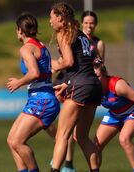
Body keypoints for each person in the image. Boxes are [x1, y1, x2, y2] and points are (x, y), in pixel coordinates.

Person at [48, 2, 102, 172]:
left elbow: (69, 61)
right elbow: (97, 60)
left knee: (61, 135)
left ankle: (55, 169)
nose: (50, 22)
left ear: (60, 18)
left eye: (51, 18)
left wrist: (56, 65)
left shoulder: (63, 33)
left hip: (81, 85)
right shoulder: (82, 35)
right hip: (93, 85)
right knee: (82, 137)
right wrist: (70, 81)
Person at [7, 12, 60, 172]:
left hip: (42, 100)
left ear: (19, 30)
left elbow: (34, 73)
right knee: (11, 140)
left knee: (17, 142)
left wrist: (18, 82)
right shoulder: (40, 45)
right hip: (39, 99)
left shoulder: (26, 49)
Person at [61, 10, 106, 172]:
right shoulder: (80, 39)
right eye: (86, 22)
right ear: (81, 23)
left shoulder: (95, 43)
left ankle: (64, 164)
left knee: (65, 133)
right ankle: (69, 162)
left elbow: (99, 67)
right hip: (83, 84)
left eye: (92, 23)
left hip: (81, 85)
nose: (89, 25)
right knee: (76, 134)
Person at [93, 59, 134, 172]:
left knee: (124, 139)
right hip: (114, 114)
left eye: (97, 76)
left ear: (103, 74)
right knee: (95, 146)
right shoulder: (92, 89)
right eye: (92, 77)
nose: (95, 80)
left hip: (131, 112)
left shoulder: (117, 85)